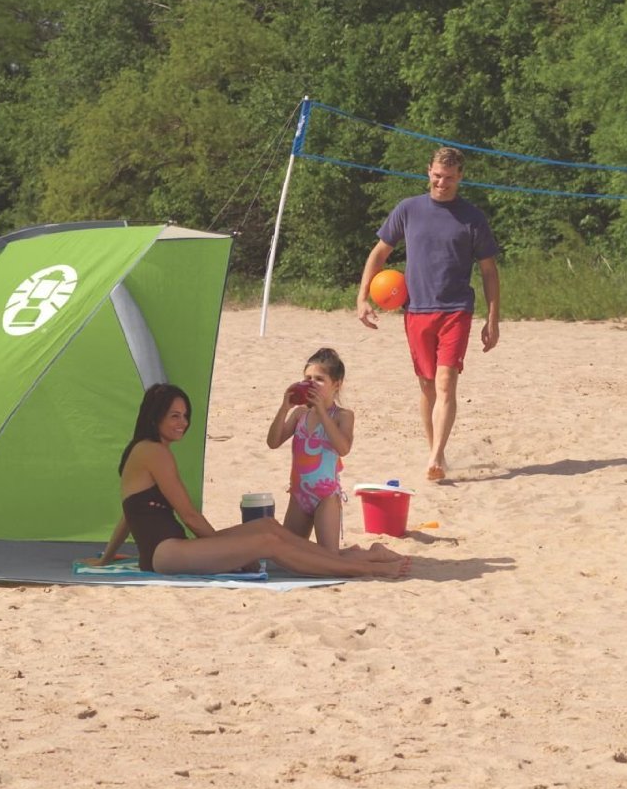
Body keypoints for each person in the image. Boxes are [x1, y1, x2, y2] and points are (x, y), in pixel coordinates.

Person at [94, 383, 409, 579]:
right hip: (166, 554)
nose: (183, 423)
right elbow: (189, 516)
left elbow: (128, 513)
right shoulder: (153, 452)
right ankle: (367, 568)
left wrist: (106, 558)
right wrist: (227, 551)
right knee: (267, 542)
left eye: (185, 415)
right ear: (154, 417)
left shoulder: (146, 450)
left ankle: (359, 556)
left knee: (269, 528)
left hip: (171, 549)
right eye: (174, 416)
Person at [356, 145, 500, 483]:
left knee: (446, 382)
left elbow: (489, 271)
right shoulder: (408, 210)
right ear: (428, 172)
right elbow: (379, 254)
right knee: (426, 385)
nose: (442, 183)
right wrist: (362, 297)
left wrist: (492, 318)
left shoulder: (473, 217)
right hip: (417, 310)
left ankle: (435, 458)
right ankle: (436, 448)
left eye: (449, 178)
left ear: (460, 177)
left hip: (456, 310)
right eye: (437, 175)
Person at [265, 347, 352, 551]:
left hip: (326, 496)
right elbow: (273, 442)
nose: (311, 383)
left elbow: (343, 447)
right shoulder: (300, 414)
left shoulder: (342, 416)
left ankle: (372, 555)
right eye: (307, 377)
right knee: (289, 555)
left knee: (329, 557)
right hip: (299, 495)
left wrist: (322, 411)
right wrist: (284, 408)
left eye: (319, 379)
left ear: (336, 385)